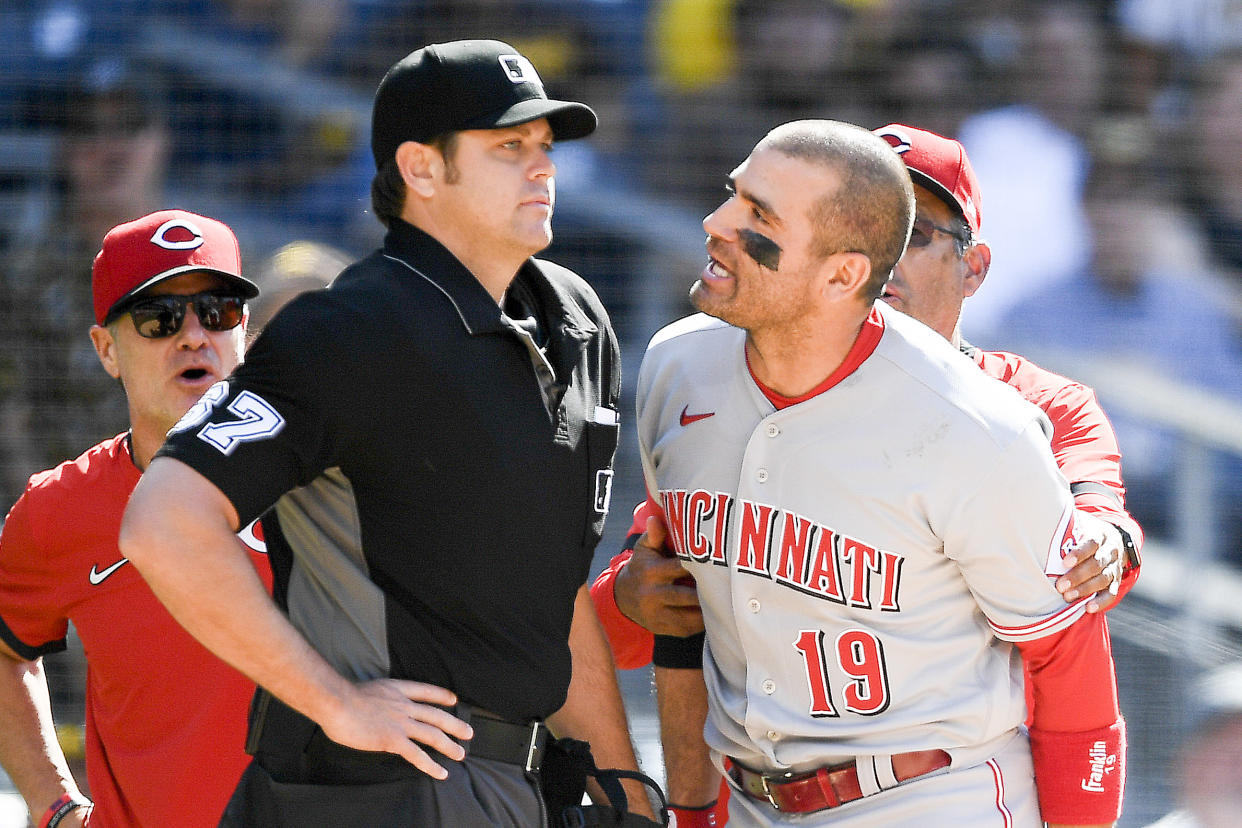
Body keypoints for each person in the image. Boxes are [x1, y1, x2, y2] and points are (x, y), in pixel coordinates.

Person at [117, 39, 656, 827]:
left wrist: (624, 790)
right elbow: (163, 523)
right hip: (369, 788)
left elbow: (551, 596)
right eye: (509, 146)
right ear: (422, 169)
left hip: (520, 786)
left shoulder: (575, 321)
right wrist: (334, 702)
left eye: (544, 146)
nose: (543, 166)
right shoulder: (349, 329)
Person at [593, 122, 1143, 826]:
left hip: (930, 787)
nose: (882, 254)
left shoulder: (1014, 412)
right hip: (758, 790)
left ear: (972, 269)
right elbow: (652, 619)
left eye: (912, 234)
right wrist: (631, 599)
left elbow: (1089, 576)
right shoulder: (700, 371)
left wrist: (1107, 540)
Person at [0, 209, 270, 828]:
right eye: (159, 319)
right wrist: (55, 807)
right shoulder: (58, 510)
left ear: (245, 333)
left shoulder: (329, 483)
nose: (195, 336)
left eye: (218, 312)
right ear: (106, 351)